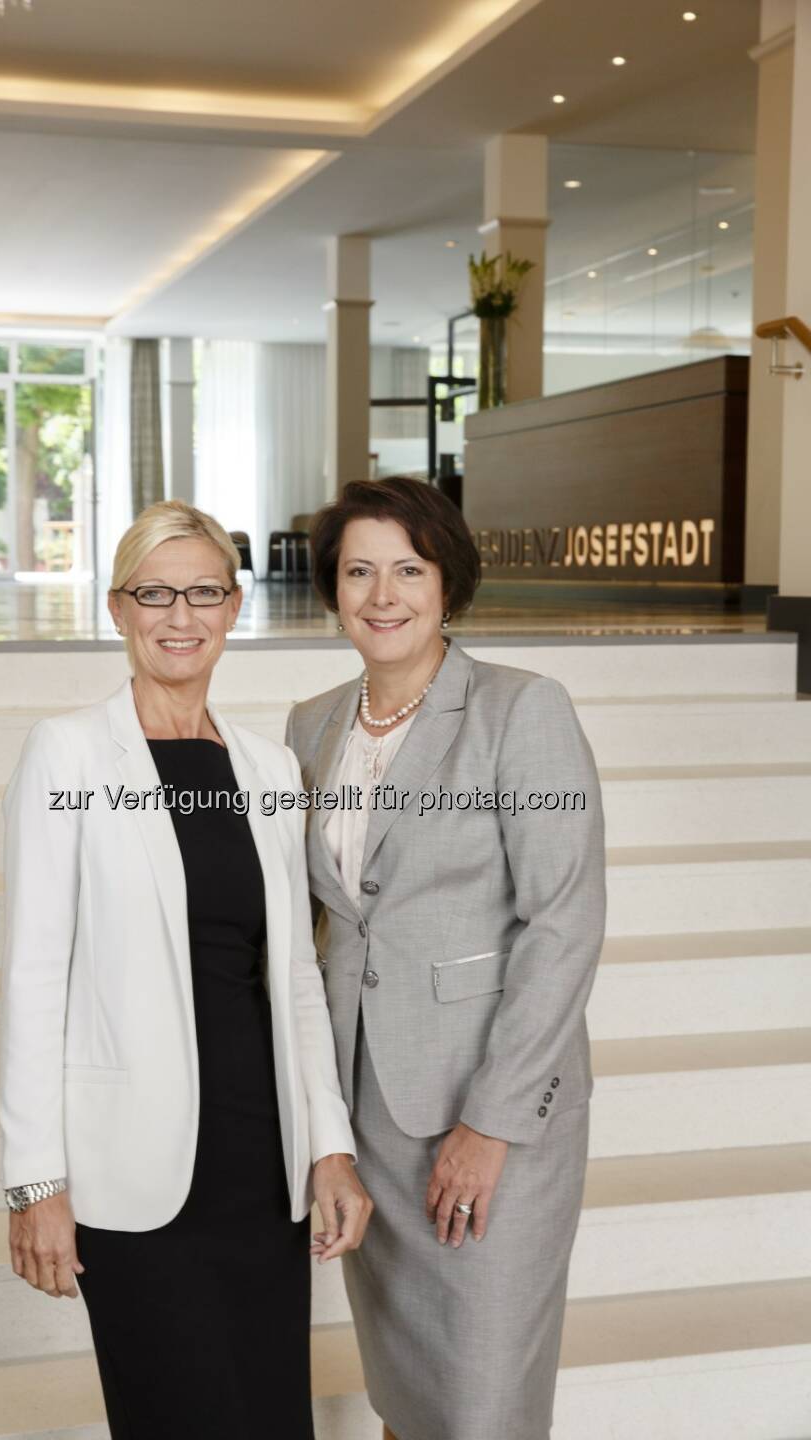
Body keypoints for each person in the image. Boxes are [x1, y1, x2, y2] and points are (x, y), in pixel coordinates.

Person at [0, 498, 372, 1440]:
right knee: (177, 1413)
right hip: (132, 1165)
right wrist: (34, 1180)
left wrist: (330, 1142)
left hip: (262, 1153)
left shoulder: (269, 768)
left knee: (271, 1414)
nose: (181, 615)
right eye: (155, 593)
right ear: (118, 609)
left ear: (235, 607)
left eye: (204, 591)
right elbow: (35, 976)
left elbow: (293, 974)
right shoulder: (68, 753)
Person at [285, 476, 607, 1440]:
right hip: (366, 1113)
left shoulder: (521, 711)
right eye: (359, 572)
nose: (383, 595)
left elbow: (564, 921)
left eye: (408, 570)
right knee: (407, 1390)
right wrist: (317, 1123)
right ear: (333, 591)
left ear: (448, 585)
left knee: (482, 1405)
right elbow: (315, 925)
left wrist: (493, 1123)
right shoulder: (312, 724)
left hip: (485, 1110)